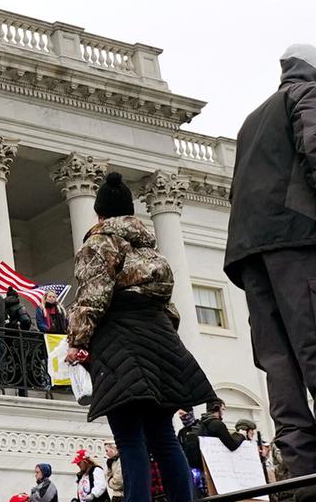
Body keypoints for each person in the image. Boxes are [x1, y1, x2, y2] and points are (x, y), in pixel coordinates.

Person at [225, 44, 316, 482]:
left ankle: (300, 470)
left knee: (279, 360)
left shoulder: (253, 119)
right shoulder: (313, 94)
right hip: (304, 239)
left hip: (251, 251)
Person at [68, 173, 211, 502]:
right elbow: (170, 308)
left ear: (101, 214)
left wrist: (77, 342)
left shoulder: (99, 243)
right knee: (163, 436)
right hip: (160, 341)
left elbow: (93, 298)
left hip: (119, 340)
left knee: (129, 437)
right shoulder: (152, 252)